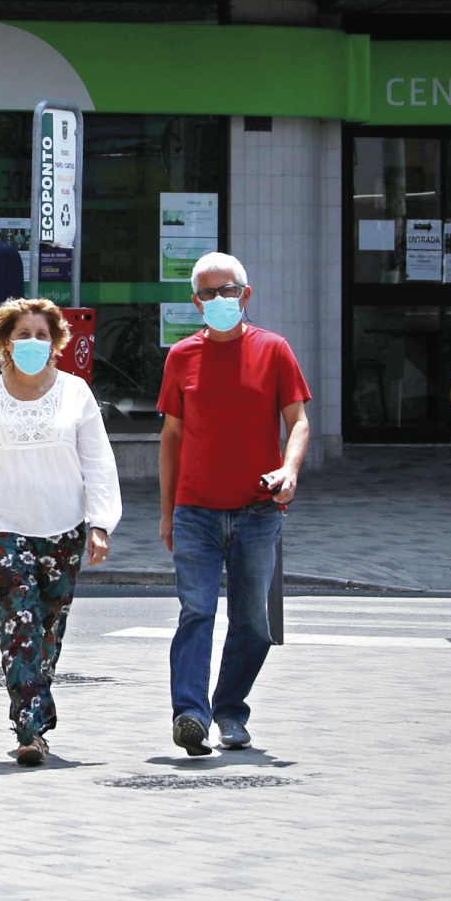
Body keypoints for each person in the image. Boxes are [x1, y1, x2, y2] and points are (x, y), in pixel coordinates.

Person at [0, 299, 121, 766]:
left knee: (48, 628)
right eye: (23, 334)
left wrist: (100, 523)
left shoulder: (76, 393)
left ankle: (34, 712)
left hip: (63, 527)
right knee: (18, 623)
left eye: (42, 334)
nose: (33, 343)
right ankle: (30, 729)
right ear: (4, 342)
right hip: (2, 525)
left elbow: (98, 463)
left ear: (56, 341)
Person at [158, 252, 310, 755]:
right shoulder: (181, 357)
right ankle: (190, 715)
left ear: (245, 295)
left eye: (228, 291)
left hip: (257, 511)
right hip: (196, 510)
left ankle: (229, 709)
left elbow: (298, 421)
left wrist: (289, 470)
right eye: (207, 292)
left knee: (253, 626)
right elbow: (171, 437)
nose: (218, 300)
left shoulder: (274, 350)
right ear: (195, 301)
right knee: (196, 612)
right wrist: (167, 512)